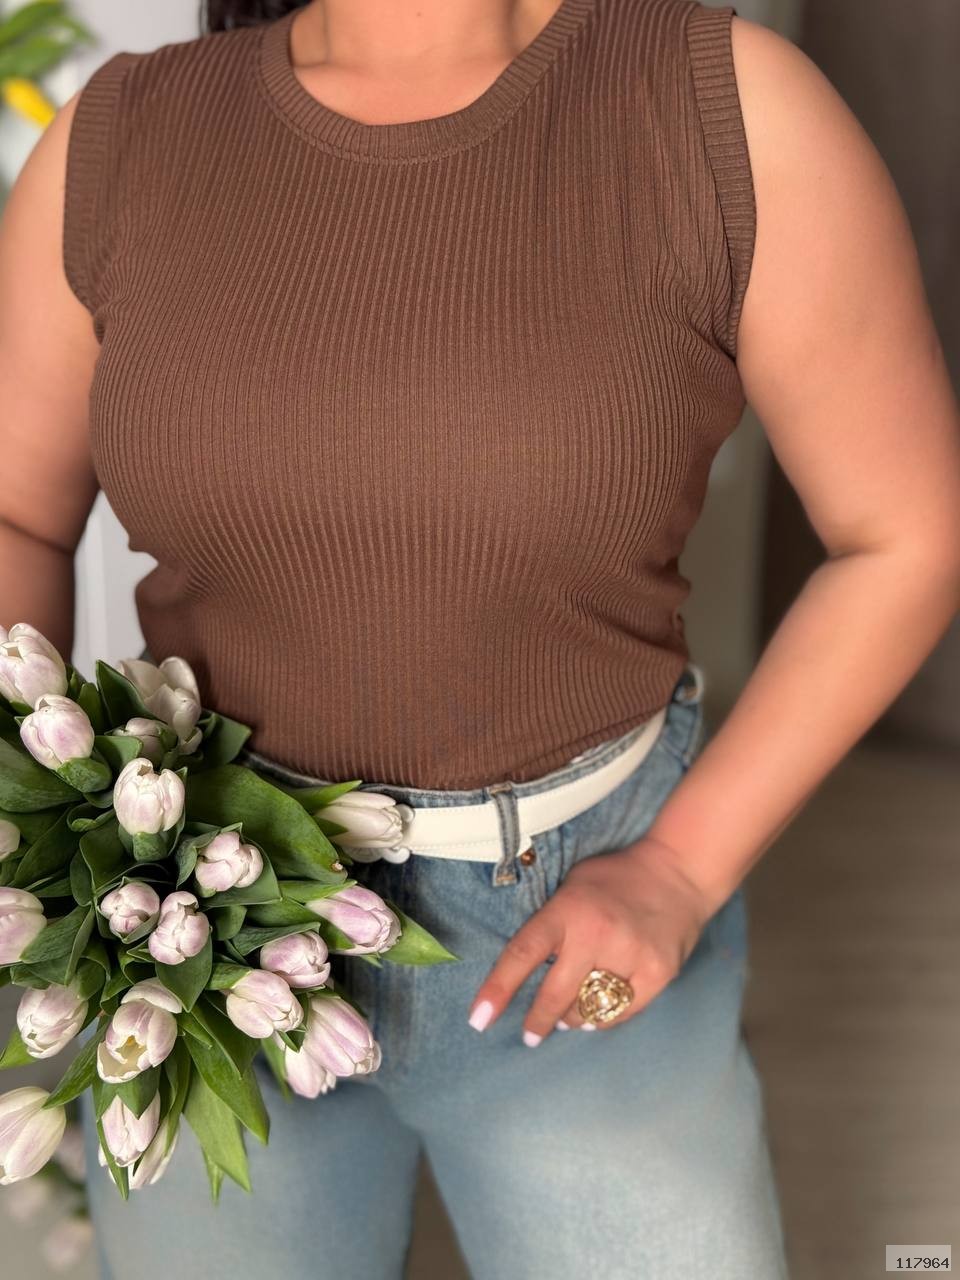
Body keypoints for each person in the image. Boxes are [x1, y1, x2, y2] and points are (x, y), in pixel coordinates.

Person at [2, 0, 958, 1275]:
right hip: (200, 937)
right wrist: (40, 839)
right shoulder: (122, 135)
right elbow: (16, 511)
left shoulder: (721, 107)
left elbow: (904, 533)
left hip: (579, 921)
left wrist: (679, 873)